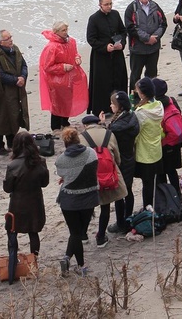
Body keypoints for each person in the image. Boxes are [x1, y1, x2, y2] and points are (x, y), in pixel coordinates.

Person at [55, 127, 99, 277]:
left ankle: (71, 260)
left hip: (69, 200)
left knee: (75, 233)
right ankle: (80, 265)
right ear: (78, 140)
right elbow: (93, 170)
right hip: (88, 199)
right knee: (79, 233)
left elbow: (63, 174)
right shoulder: (91, 154)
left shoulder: (60, 160)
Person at [80, 115, 127, 249]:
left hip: (90, 177)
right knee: (105, 206)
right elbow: (117, 157)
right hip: (108, 175)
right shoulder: (109, 134)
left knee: (88, 206)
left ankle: (83, 234)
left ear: (85, 125)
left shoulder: (82, 137)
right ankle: (101, 237)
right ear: (98, 123)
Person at [0, 30, 30, 155]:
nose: (11, 40)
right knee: (0, 117)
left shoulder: (15, 49)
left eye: (10, 37)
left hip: (15, 90)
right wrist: (15, 80)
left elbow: (23, 64)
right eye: (8, 38)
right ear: (1, 42)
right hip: (0, 93)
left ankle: (12, 142)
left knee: (14, 115)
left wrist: (23, 77)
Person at [3, 132, 49, 257]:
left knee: (12, 231)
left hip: (17, 203)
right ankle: (33, 262)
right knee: (33, 233)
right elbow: (45, 183)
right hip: (35, 202)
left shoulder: (13, 165)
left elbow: (7, 188)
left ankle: (13, 260)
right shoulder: (40, 162)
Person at [101, 91, 140, 235]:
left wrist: (103, 125)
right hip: (130, 156)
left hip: (121, 160)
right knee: (128, 190)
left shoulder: (117, 127)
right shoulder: (132, 117)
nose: (111, 106)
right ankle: (127, 218)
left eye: (113, 104)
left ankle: (121, 223)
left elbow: (109, 138)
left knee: (119, 192)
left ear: (119, 106)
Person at [39, 21, 88, 131]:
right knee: (57, 103)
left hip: (70, 77)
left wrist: (77, 58)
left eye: (66, 30)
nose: (66, 32)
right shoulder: (51, 47)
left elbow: (75, 53)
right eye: (63, 30)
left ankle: (65, 122)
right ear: (56, 32)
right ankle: (55, 127)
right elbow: (47, 66)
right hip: (56, 80)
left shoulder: (71, 42)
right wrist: (63, 67)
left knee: (68, 100)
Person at [86, 0, 128, 115]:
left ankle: (120, 106)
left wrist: (122, 43)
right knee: (102, 84)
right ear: (100, 5)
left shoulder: (115, 14)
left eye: (110, 4)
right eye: (106, 4)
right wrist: (105, 47)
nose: (109, 6)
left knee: (119, 80)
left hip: (117, 54)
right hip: (101, 57)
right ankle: (102, 109)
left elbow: (123, 31)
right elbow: (91, 39)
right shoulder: (93, 19)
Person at [124, 0, 168, 93]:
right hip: (138, 49)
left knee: (152, 75)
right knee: (135, 76)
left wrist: (155, 38)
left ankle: (151, 98)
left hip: (153, 49)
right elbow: (130, 28)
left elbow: (163, 24)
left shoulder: (155, 6)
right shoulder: (131, 9)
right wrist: (147, 38)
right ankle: (134, 99)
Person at [132, 77, 164, 209]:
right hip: (156, 149)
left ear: (142, 93)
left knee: (147, 184)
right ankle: (157, 204)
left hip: (144, 152)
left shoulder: (141, 112)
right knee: (155, 181)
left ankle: (148, 207)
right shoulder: (158, 105)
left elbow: (136, 132)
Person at [152, 78, 182, 193]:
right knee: (172, 171)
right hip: (175, 144)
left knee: (161, 172)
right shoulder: (172, 101)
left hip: (163, 144)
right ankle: (177, 195)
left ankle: (165, 197)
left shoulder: (155, 107)